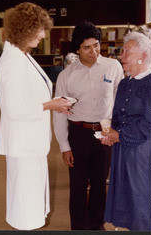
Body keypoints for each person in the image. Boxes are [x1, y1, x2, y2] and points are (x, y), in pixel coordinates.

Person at [0, 2, 72, 231]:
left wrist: (53, 105)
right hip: (23, 145)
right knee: (25, 208)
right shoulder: (11, 62)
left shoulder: (22, 56)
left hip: (31, 144)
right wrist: (51, 104)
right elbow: (14, 109)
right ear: (24, 29)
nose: (42, 34)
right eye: (39, 29)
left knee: (32, 203)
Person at [53, 21, 124, 230]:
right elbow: (59, 113)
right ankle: (79, 228)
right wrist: (64, 145)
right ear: (77, 48)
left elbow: (120, 102)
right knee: (77, 185)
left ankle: (97, 225)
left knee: (100, 184)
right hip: (78, 133)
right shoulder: (66, 76)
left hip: (104, 132)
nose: (93, 51)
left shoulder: (113, 67)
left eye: (96, 45)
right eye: (86, 47)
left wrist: (115, 131)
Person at [100, 30, 151, 231]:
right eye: (122, 51)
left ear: (143, 56)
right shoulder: (124, 83)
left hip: (141, 154)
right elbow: (118, 116)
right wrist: (110, 133)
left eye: (126, 52)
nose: (121, 56)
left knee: (140, 202)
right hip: (122, 150)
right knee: (125, 202)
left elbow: (150, 124)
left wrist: (119, 135)